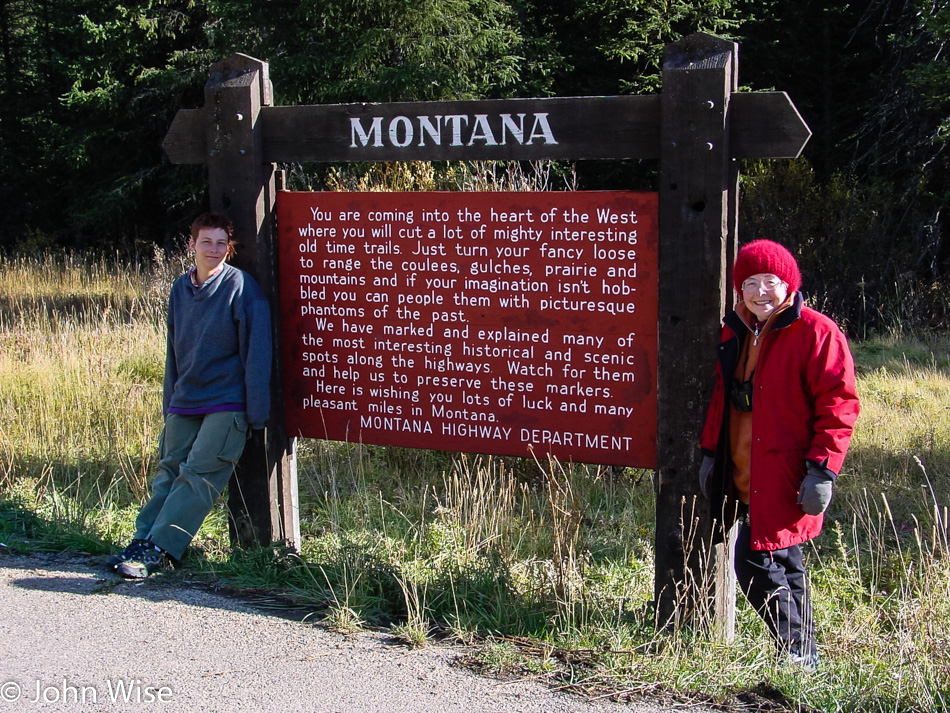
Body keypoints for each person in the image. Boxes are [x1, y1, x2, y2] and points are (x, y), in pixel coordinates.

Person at [698, 239, 859, 671]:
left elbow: (838, 405)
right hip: (742, 472)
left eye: (769, 281)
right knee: (785, 566)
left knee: (753, 563)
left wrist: (822, 470)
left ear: (789, 283)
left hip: (787, 477)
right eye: (749, 282)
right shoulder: (735, 331)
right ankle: (805, 655)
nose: (759, 292)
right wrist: (711, 455)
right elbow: (721, 400)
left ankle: (794, 654)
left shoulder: (817, 332)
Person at [107, 212, 272, 579]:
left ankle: (160, 550)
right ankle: (142, 540)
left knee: (198, 474)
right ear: (191, 245)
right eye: (206, 242)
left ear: (228, 249)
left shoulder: (241, 288)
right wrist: (171, 402)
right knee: (167, 472)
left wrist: (257, 414)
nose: (213, 250)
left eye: (220, 243)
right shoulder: (180, 289)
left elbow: (258, 356)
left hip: (227, 401)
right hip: (186, 398)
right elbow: (173, 350)